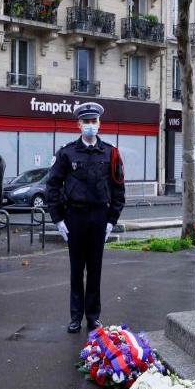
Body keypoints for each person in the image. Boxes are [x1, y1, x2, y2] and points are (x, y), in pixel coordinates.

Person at [44, 102, 125, 334]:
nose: (90, 126)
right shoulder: (67, 153)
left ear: (99, 124)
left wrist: (112, 220)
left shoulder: (110, 153)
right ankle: (75, 316)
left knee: (96, 270)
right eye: (86, 122)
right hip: (75, 217)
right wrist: (58, 218)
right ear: (78, 124)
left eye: (94, 122)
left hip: (99, 216)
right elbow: (52, 185)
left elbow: (118, 189)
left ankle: (93, 316)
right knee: (76, 270)